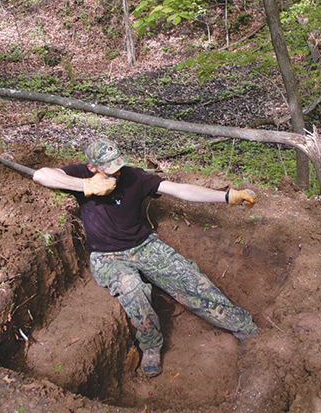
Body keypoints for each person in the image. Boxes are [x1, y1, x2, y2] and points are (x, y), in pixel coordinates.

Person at [32, 137, 258, 377]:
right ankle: (151, 345)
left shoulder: (134, 177)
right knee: (132, 288)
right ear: (92, 167)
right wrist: (86, 186)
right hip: (107, 256)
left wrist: (226, 197)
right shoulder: (81, 173)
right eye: (109, 170)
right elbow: (41, 175)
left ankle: (243, 326)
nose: (117, 174)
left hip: (144, 246)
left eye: (118, 166)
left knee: (189, 278)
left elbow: (179, 190)